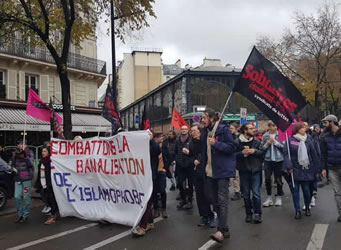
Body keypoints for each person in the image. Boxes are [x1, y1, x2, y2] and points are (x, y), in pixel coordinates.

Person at [201, 109, 237, 243]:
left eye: (204, 117)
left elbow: (232, 147)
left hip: (222, 171)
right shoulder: (205, 131)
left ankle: (220, 231)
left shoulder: (223, 129)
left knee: (222, 200)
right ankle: (225, 228)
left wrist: (216, 144)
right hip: (209, 171)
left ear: (212, 118)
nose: (202, 120)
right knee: (213, 199)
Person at [284, 123, 320, 219]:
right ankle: (297, 210)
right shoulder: (290, 141)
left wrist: (317, 168)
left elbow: (314, 154)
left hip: (307, 169)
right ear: (297, 130)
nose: (304, 129)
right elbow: (286, 155)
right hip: (294, 169)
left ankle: (307, 207)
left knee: (307, 191)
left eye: (304, 128)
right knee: (295, 191)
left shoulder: (308, 140)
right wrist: (289, 166)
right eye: (302, 128)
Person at [133, 130, 160, 236]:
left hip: (150, 178)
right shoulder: (139, 147)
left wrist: (152, 140)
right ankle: (149, 223)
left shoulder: (153, 145)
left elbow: (157, 151)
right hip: (140, 177)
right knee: (145, 201)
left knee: (146, 202)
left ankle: (142, 226)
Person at [236, 122, 264, 223]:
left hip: (255, 170)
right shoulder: (237, 142)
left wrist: (255, 151)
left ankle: (257, 213)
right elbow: (233, 155)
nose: (254, 130)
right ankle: (248, 213)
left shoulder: (257, 141)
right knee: (246, 194)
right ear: (245, 131)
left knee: (256, 193)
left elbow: (262, 153)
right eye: (251, 128)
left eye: (253, 128)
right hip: (244, 171)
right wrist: (241, 153)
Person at [190, 125, 216, 227]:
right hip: (196, 172)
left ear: (200, 132)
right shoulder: (192, 143)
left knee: (208, 195)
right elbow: (190, 156)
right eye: (191, 131)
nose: (193, 133)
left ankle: (214, 214)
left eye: (195, 131)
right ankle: (204, 216)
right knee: (199, 195)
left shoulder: (204, 142)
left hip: (207, 171)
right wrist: (193, 160)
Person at [320, 115, 341, 222]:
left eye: (325, 123)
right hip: (332, 168)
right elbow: (323, 154)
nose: (323, 125)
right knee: (337, 192)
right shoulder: (324, 137)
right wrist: (323, 168)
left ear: (332, 122)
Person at [261, 121, 284, 207]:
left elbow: (284, 147)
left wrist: (275, 142)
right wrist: (267, 143)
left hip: (278, 160)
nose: (272, 127)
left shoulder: (280, 135)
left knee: (278, 179)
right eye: (270, 126)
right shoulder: (265, 136)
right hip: (268, 160)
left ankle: (278, 197)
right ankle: (269, 197)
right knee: (267, 179)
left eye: (274, 126)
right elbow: (261, 148)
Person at [12, 139, 34, 223]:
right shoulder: (15, 154)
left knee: (26, 197)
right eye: (20, 144)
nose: (21, 145)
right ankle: (20, 214)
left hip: (26, 179)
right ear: (18, 146)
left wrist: (25, 156)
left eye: (23, 144)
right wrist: (13, 169)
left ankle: (25, 214)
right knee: (17, 196)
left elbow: (31, 164)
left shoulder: (30, 153)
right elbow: (12, 165)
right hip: (18, 179)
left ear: (26, 145)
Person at [37, 147, 59, 224]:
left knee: (52, 199)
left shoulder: (50, 162)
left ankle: (53, 215)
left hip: (49, 185)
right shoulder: (41, 162)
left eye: (45, 151)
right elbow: (40, 174)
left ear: (49, 152)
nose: (43, 153)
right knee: (47, 200)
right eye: (42, 151)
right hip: (43, 185)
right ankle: (54, 212)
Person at [175, 125, 193, 209]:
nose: (184, 130)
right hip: (180, 165)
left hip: (189, 165)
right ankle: (183, 199)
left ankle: (189, 201)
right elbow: (175, 151)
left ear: (187, 130)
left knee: (190, 184)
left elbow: (194, 152)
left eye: (185, 129)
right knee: (180, 183)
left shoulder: (191, 139)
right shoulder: (177, 140)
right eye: (182, 129)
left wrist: (189, 153)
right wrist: (176, 159)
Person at [153, 132, 168, 219]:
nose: (162, 138)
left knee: (162, 190)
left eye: (162, 136)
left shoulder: (164, 148)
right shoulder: (152, 147)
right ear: (156, 138)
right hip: (154, 171)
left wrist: (165, 167)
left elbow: (169, 157)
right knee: (154, 191)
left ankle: (164, 208)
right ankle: (155, 209)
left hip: (162, 171)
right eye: (160, 137)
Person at [230, 122, 241, 201]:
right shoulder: (230, 136)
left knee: (239, 176)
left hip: (239, 158)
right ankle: (237, 191)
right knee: (235, 176)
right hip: (233, 159)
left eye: (232, 128)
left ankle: (240, 191)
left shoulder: (240, 137)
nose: (230, 130)